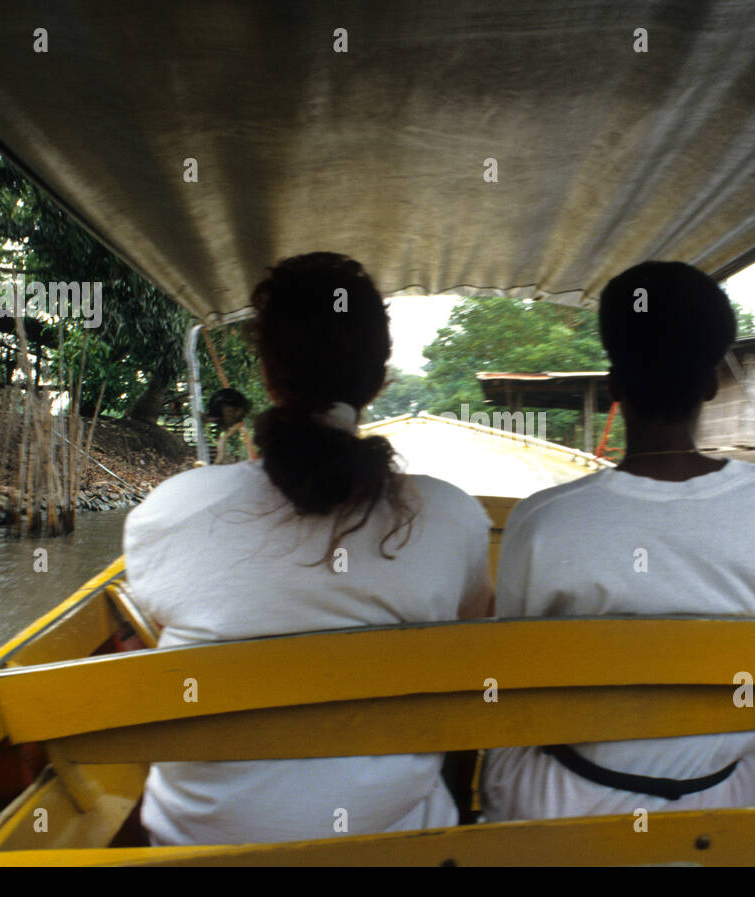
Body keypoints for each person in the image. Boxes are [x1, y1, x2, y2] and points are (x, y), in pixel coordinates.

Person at [124, 252, 493, 845]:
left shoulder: (170, 510)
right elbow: (475, 643)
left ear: (268, 374)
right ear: (378, 378)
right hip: (389, 850)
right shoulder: (452, 517)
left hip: (192, 853)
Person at [481, 261, 755, 822]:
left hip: (564, 808)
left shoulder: (543, 520)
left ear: (614, 385)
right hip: (727, 803)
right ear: (712, 383)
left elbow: (509, 682)